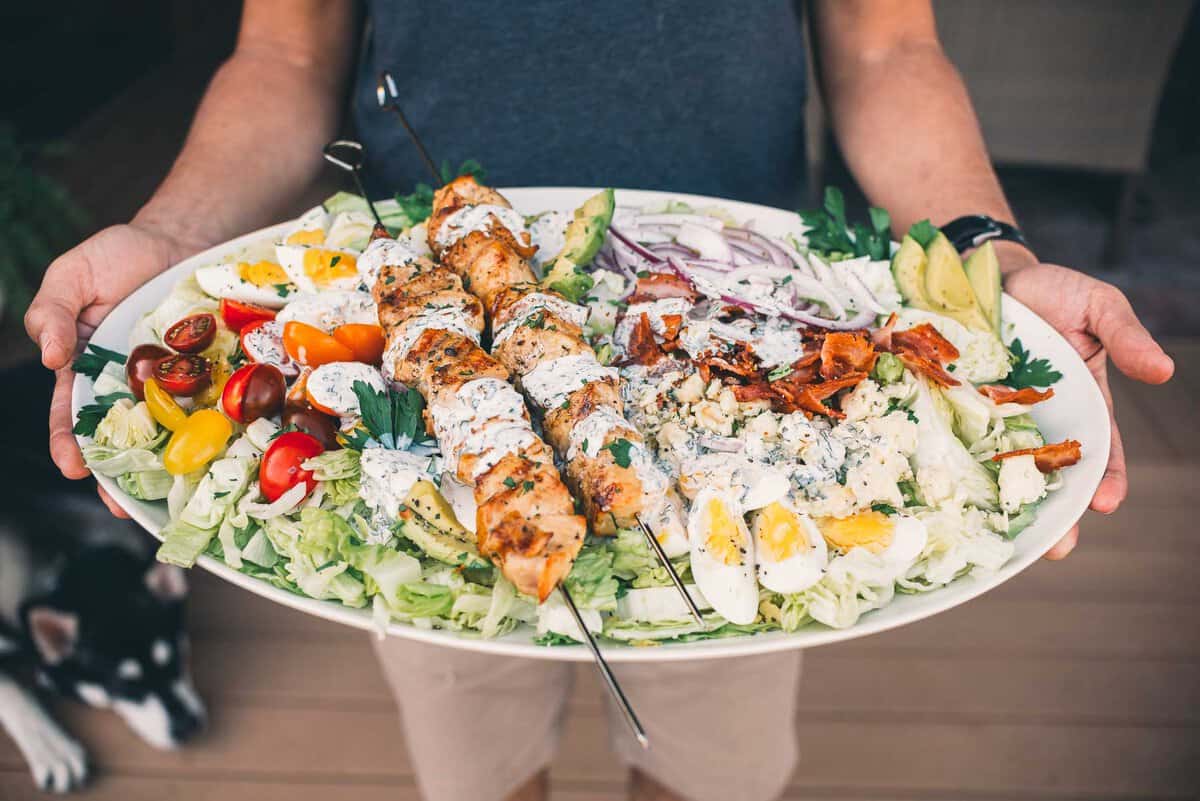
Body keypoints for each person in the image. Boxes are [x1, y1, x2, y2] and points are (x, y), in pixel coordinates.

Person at [25, 2, 1175, 800]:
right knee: (472, 757)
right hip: (423, 370)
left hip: (721, 362)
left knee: (709, 767)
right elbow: (284, 55)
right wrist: (172, 241)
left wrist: (996, 265)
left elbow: (886, 50)